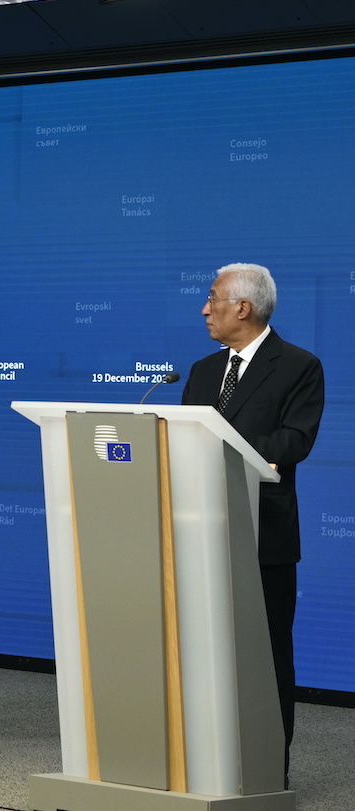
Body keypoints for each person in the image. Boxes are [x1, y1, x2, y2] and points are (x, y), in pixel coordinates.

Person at [181, 262, 324, 785]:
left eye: (213, 298)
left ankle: (265, 773)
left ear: (243, 307)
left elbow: (294, 441)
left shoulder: (298, 366)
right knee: (199, 652)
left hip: (264, 535)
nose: (205, 309)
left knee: (265, 655)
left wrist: (222, 450)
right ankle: (203, 765)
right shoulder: (202, 371)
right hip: (199, 533)